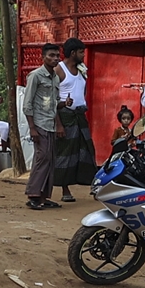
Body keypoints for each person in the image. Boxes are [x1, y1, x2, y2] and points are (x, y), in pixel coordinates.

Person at [52, 38, 95, 202]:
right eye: (81, 52)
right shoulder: (59, 70)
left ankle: (92, 185)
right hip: (65, 116)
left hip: (79, 115)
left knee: (87, 150)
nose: (84, 55)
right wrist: (59, 124)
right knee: (66, 153)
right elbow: (52, 99)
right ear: (72, 53)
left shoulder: (81, 70)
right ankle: (65, 189)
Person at [22, 43, 63, 210]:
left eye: (57, 56)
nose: (55, 59)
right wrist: (32, 127)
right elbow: (27, 104)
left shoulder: (55, 78)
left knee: (50, 159)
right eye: (51, 55)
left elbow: (54, 104)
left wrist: (63, 107)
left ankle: (44, 197)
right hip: (39, 124)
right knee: (42, 158)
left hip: (50, 124)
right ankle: (33, 195)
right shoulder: (36, 76)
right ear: (43, 57)